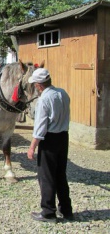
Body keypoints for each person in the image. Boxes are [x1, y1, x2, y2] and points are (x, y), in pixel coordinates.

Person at [27, 68, 73, 223]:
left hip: (49, 139)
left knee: (46, 176)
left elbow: (40, 126)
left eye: (34, 85)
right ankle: (66, 209)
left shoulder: (44, 100)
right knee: (60, 174)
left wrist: (32, 146)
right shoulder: (62, 93)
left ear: (39, 85)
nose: (34, 87)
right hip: (63, 137)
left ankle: (48, 212)